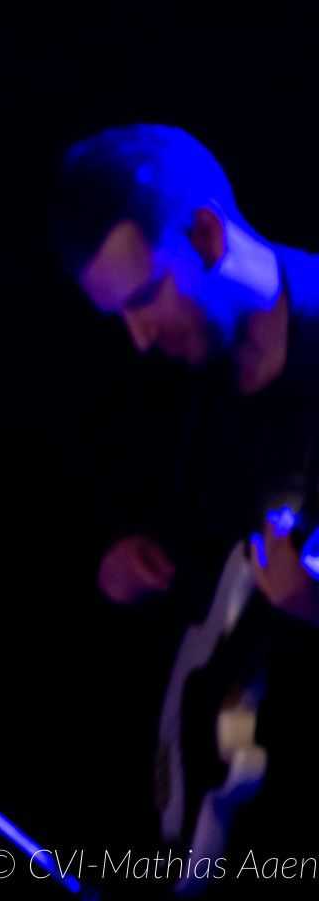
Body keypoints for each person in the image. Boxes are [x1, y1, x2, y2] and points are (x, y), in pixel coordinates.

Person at [55, 124, 319, 879]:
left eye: (146, 297)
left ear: (207, 234)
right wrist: (127, 569)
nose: (139, 338)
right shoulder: (188, 379)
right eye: (120, 316)